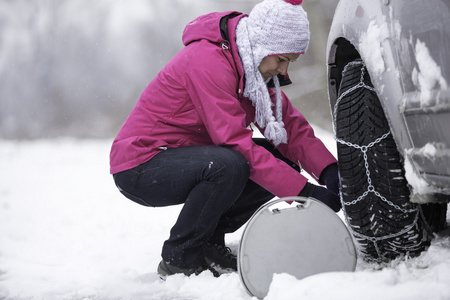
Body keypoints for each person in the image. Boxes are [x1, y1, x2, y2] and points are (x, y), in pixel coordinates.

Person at [110, 0, 341, 278]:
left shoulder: (250, 72)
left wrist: (330, 172)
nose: (283, 71)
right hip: (140, 164)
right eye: (282, 60)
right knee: (229, 165)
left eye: (289, 63)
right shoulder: (207, 62)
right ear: (262, 46)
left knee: (282, 162)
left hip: (189, 155)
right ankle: (180, 257)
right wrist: (305, 193)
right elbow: (234, 143)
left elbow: (289, 128)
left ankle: (208, 243)